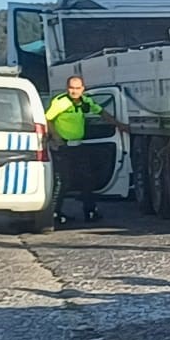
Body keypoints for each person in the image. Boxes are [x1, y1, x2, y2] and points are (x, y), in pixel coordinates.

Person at [43, 75, 112, 228]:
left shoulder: (84, 101)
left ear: (83, 89)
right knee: (63, 181)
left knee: (87, 179)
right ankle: (54, 213)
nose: (74, 91)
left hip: (78, 146)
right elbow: (46, 119)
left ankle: (90, 211)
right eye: (71, 88)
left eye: (77, 88)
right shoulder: (61, 102)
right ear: (67, 89)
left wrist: (120, 125)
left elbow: (101, 112)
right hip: (63, 147)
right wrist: (55, 136)